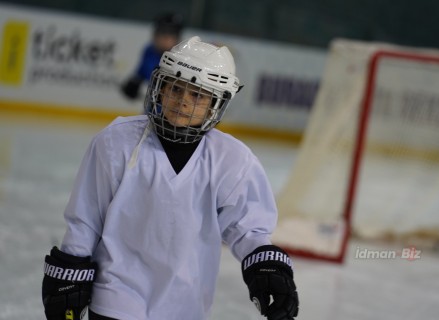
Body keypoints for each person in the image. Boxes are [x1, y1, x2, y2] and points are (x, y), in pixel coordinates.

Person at [42, 36, 299, 320]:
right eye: (175, 88)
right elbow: (87, 218)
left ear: (216, 102)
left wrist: (266, 266)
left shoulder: (233, 160)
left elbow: (248, 230)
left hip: (186, 304)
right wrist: (71, 268)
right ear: (160, 88)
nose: (182, 102)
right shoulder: (116, 141)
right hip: (115, 293)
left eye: (197, 95)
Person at [120, 13, 184, 100]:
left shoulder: (182, 59)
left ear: (176, 38)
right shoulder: (149, 51)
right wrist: (133, 84)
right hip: (150, 108)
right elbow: (140, 74)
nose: (165, 38)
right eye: (162, 32)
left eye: (170, 34)